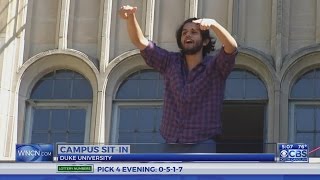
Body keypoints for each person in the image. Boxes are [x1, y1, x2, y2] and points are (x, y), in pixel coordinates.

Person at [119, 5, 238, 153]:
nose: (188, 35)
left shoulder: (215, 67)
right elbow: (140, 42)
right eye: (184, 33)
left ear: (205, 41)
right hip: (171, 142)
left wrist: (213, 24)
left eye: (194, 32)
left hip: (203, 142)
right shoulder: (170, 62)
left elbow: (231, 47)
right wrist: (130, 17)